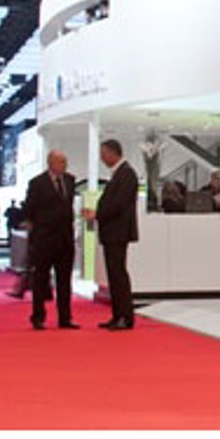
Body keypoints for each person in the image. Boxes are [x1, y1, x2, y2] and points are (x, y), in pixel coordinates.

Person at [85, 139, 139, 331]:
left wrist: (97, 214)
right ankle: (118, 315)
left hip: (118, 232)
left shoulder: (126, 174)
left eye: (103, 154)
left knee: (118, 275)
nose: (102, 158)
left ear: (112, 153)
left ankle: (124, 316)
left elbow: (118, 204)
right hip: (113, 232)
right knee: (114, 275)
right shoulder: (120, 173)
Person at [21, 151, 78, 330]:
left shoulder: (70, 180)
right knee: (40, 280)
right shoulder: (37, 183)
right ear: (50, 163)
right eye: (61, 162)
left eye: (65, 162)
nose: (64, 165)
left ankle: (65, 317)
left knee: (65, 281)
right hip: (44, 239)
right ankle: (38, 316)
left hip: (65, 239)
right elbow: (29, 209)